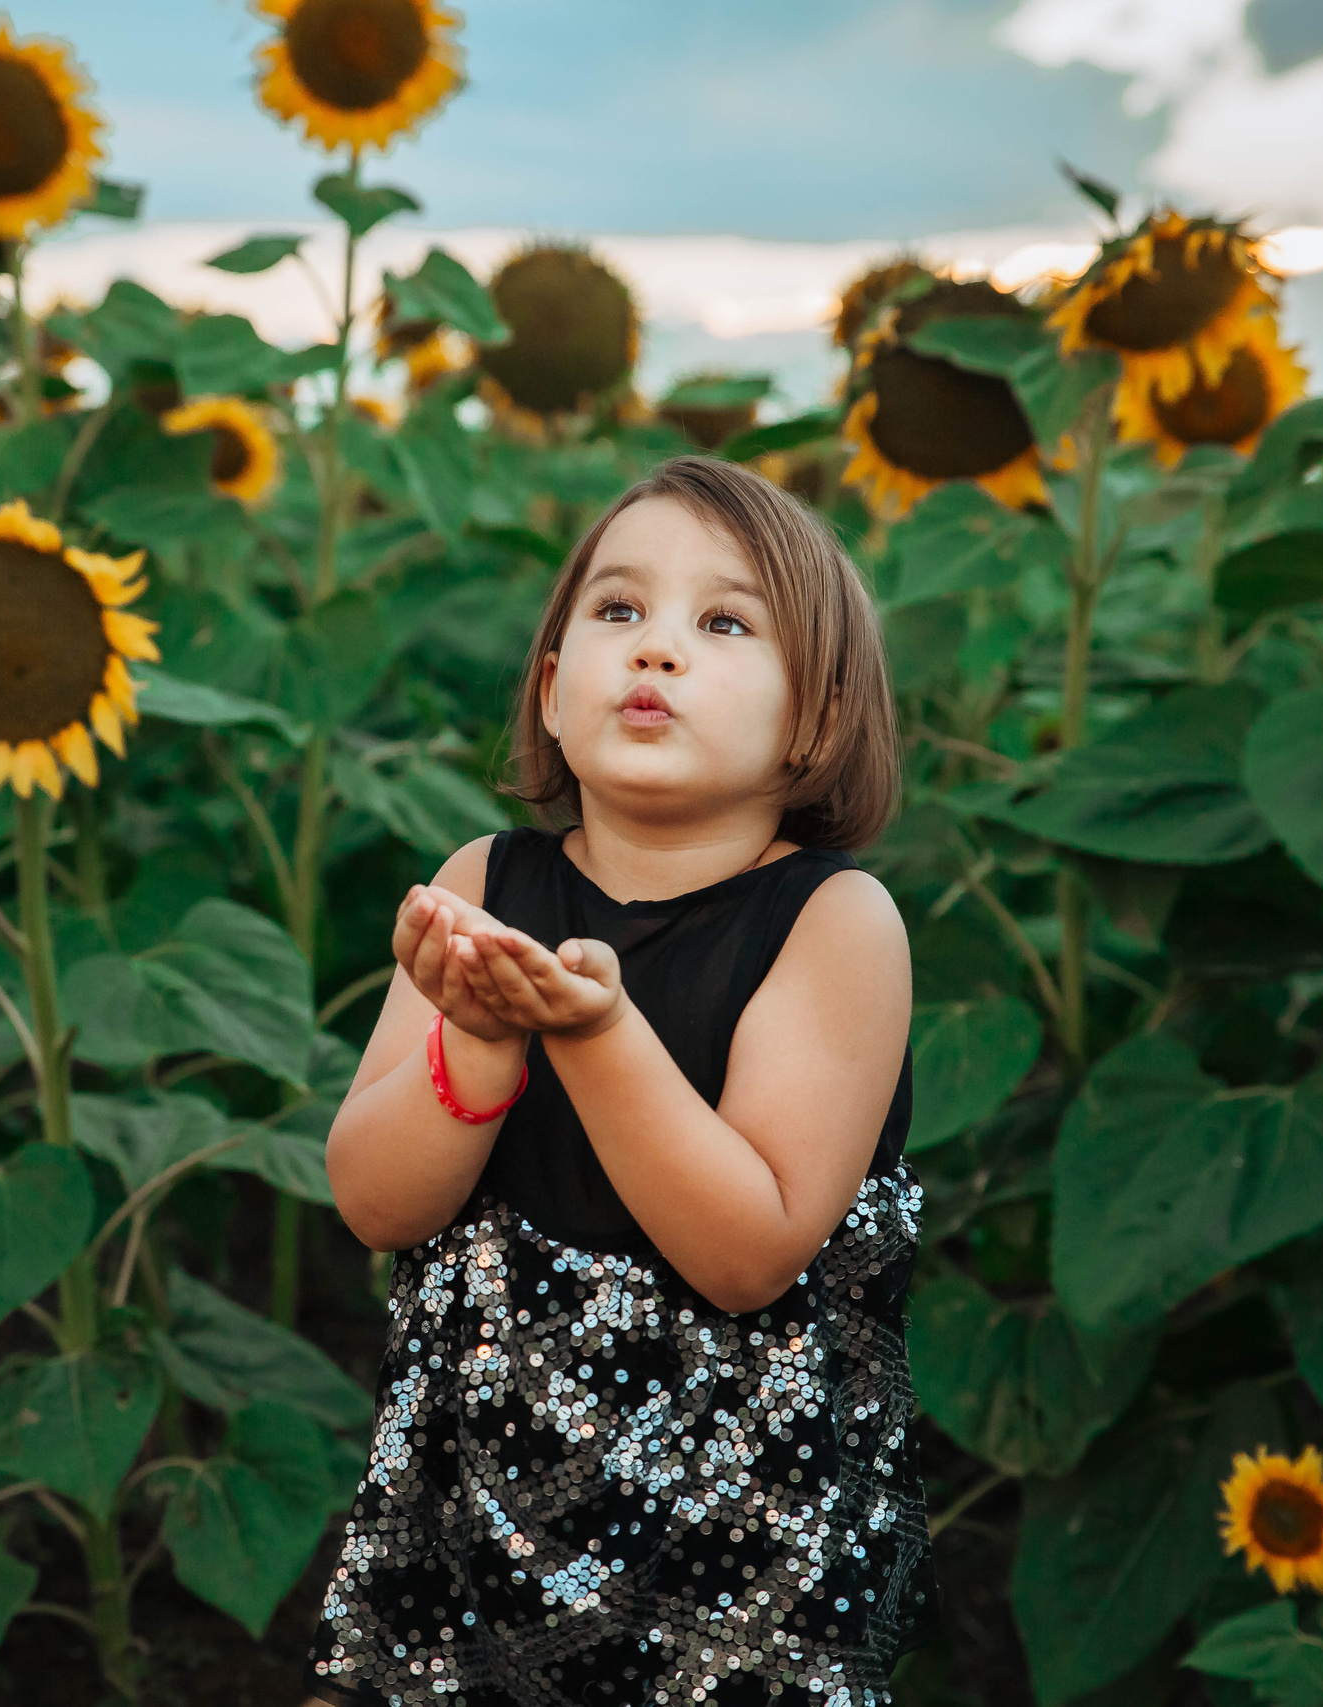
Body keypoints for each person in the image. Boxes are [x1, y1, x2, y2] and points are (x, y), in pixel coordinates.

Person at [300, 455, 936, 1706]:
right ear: (550, 691)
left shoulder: (833, 923)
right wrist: (481, 1042)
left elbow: (746, 1252)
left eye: (724, 623)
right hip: (468, 1508)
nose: (655, 649)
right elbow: (375, 1203)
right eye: (618, 609)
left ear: (817, 720)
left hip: (729, 1540)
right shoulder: (485, 886)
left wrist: (594, 1037)